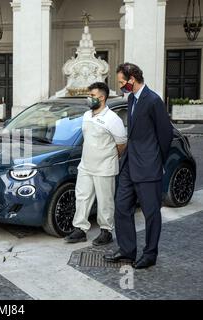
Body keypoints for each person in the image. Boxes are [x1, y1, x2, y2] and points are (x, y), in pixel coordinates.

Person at [104, 63, 173, 269]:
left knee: (151, 213)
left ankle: (150, 254)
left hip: (148, 167)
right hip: (129, 164)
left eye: (123, 82)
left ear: (132, 78)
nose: (121, 85)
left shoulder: (153, 100)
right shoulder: (131, 98)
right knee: (122, 207)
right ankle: (127, 250)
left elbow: (165, 134)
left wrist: (156, 160)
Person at [65, 82, 127, 246]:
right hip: (86, 165)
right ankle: (80, 229)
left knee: (105, 201)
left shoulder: (113, 119)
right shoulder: (87, 115)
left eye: (92, 96)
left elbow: (121, 143)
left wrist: (110, 157)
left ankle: (106, 231)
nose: (89, 98)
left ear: (102, 97)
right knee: (82, 198)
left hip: (104, 167)